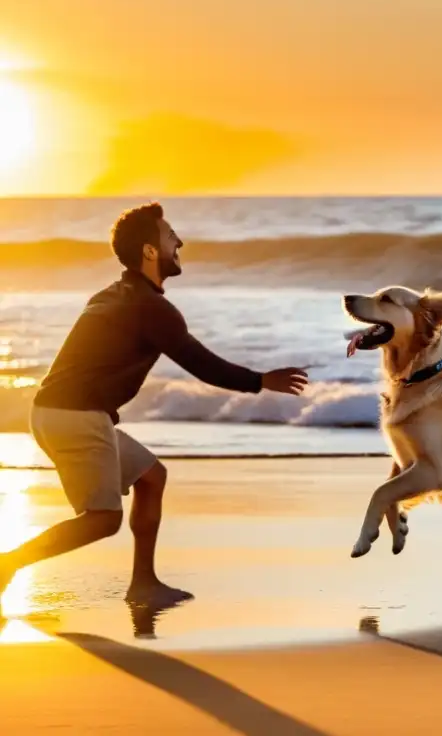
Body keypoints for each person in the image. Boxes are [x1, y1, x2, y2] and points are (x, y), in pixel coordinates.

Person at [0, 203, 308, 610]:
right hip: (75, 416)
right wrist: (260, 380)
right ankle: (9, 565)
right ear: (149, 251)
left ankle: (143, 584)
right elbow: (199, 362)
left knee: (151, 477)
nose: (178, 242)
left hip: (62, 412)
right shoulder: (150, 307)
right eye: (169, 236)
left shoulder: (115, 294)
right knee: (103, 519)